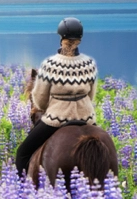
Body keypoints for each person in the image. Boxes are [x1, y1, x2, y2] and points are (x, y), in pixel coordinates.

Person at [15, 17, 98, 177]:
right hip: (87, 117)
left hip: (56, 119)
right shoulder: (89, 64)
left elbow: (39, 99)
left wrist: (50, 107)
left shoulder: (50, 65)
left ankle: (23, 190)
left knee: (23, 153)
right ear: (80, 39)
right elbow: (91, 96)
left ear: (61, 38)